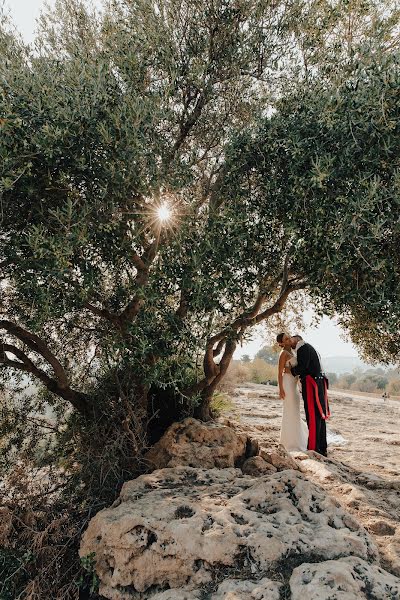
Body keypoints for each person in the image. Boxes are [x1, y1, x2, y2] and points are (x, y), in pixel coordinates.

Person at [286, 334, 330, 457]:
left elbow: (303, 367)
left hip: (312, 384)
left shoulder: (302, 347)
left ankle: (314, 448)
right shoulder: (310, 347)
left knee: (312, 415)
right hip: (318, 382)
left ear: (297, 339)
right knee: (319, 415)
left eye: (291, 339)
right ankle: (322, 447)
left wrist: (292, 371)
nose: (290, 342)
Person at [276, 333, 308, 452]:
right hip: (287, 384)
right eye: (286, 339)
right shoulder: (283, 353)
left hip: (294, 385)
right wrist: (281, 389)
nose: (289, 339)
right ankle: (289, 442)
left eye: (289, 337)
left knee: (295, 410)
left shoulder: (294, 352)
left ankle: (298, 438)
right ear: (281, 343)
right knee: (289, 411)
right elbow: (280, 373)